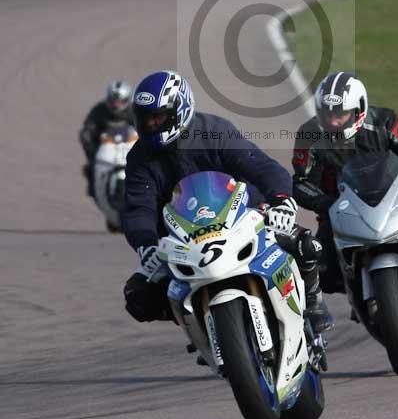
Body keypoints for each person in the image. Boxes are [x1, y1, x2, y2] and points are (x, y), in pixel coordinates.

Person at [122, 69, 332, 333]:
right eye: (145, 119)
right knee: (138, 296)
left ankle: (312, 302)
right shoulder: (139, 157)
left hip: (242, 217)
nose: (151, 125)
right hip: (185, 238)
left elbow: (260, 166)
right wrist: (146, 244)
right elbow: (138, 206)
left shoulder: (214, 131)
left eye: (158, 117)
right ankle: (201, 322)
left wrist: (281, 201)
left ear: (180, 110)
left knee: (306, 245)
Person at [291, 71, 398, 306]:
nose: (333, 121)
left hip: (394, 194)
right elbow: (301, 183)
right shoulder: (308, 135)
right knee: (320, 267)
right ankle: (315, 318)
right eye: (327, 114)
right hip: (340, 208)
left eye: (340, 114)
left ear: (359, 110)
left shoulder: (384, 121)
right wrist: (324, 204)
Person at [79, 80, 134, 198]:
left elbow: (145, 129)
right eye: (114, 101)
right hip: (104, 148)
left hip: (129, 147)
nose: (116, 105)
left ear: (126, 100)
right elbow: (87, 130)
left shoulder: (134, 111)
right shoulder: (99, 110)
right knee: (91, 169)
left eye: (120, 102)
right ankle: (95, 189)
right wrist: (91, 149)